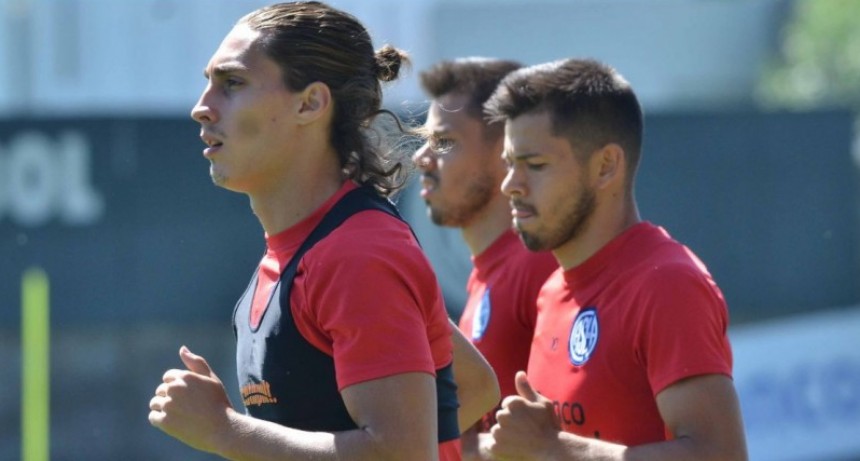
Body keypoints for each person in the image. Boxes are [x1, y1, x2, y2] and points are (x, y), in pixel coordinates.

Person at [147, 2, 498, 460]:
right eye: (208, 82)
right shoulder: (310, 251)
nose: (202, 108)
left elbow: (402, 453)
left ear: (310, 103)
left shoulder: (357, 254)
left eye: (232, 83)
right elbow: (471, 386)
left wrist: (225, 431)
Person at [480, 58, 748, 460]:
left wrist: (554, 449)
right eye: (509, 164)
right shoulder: (552, 290)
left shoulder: (667, 284)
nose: (510, 185)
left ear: (606, 166)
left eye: (534, 165)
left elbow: (720, 455)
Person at [412, 57, 558, 460]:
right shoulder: (488, 275)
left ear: (504, 151)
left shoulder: (540, 267)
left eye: (444, 141)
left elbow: (567, 435)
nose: (422, 158)